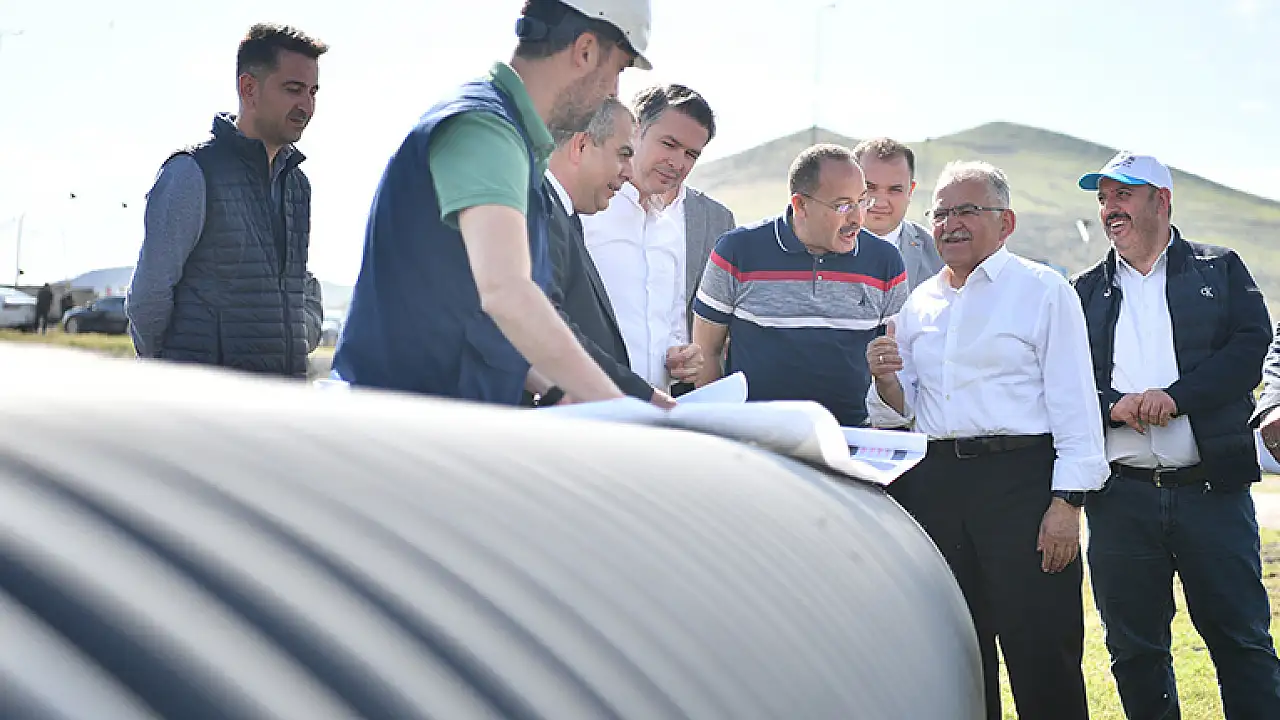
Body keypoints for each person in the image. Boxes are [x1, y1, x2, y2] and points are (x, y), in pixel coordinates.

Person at [865, 160, 1108, 720]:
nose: (950, 224)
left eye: (967, 211)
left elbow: (1076, 406)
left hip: (1021, 486)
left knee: (1042, 651)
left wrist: (1067, 505)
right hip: (935, 487)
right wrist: (884, 379)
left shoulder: (1043, 291)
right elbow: (903, 411)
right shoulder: (920, 302)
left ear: (1006, 222)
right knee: (957, 655)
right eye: (941, 213)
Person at [332, 0, 651, 407]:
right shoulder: (486, 130)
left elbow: (468, 312)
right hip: (405, 425)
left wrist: (554, 388)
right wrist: (618, 407)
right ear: (585, 50)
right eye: (618, 70)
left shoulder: (513, 142)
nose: (614, 92)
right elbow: (507, 293)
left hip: (442, 420)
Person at [1072, 152, 1280, 719]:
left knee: (1241, 641)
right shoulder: (1082, 290)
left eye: (1123, 195)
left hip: (1212, 491)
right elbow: (1064, 381)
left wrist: (1176, 397)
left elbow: (1250, 349)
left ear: (1161, 200)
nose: (1109, 209)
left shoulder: (1221, 269)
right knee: (1134, 650)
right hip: (1120, 498)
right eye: (1103, 199)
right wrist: (1113, 407)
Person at [126, 23, 326, 377]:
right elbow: (149, 296)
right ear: (249, 88)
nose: (306, 106)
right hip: (202, 401)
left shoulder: (297, 185)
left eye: (312, 92)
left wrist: (298, 338)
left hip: (281, 399)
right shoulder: (191, 172)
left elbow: (300, 285)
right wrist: (168, 376)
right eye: (293, 89)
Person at [691, 144, 906, 426]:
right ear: (800, 204)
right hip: (753, 439)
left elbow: (899, 373)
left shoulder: (886, 261)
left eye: (862, 201)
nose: (857, 218)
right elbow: (706, 352)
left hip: (848, 441)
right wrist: (722, 427)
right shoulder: (736, 251)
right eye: (843, 205)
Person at [582, 83, 735, 396]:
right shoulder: (586, 213)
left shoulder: (670, 231)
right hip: (588, 403)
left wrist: (682, 359)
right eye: (669, 144)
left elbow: (673, 336)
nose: (678, 163)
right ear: (634, 131)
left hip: (656, 410)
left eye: (691, 154)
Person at [543, 98, 675, 407]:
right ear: (581, 146)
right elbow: (547, 323)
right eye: (623, 155)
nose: (629, 172)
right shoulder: (542, 213)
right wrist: (644, 398)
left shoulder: (564, 216)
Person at [853, 137, 942, 290]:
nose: (880, 202)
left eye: (894, 190)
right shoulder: (820, 246)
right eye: (870, 188)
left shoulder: (939, 254)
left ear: (910, 191)